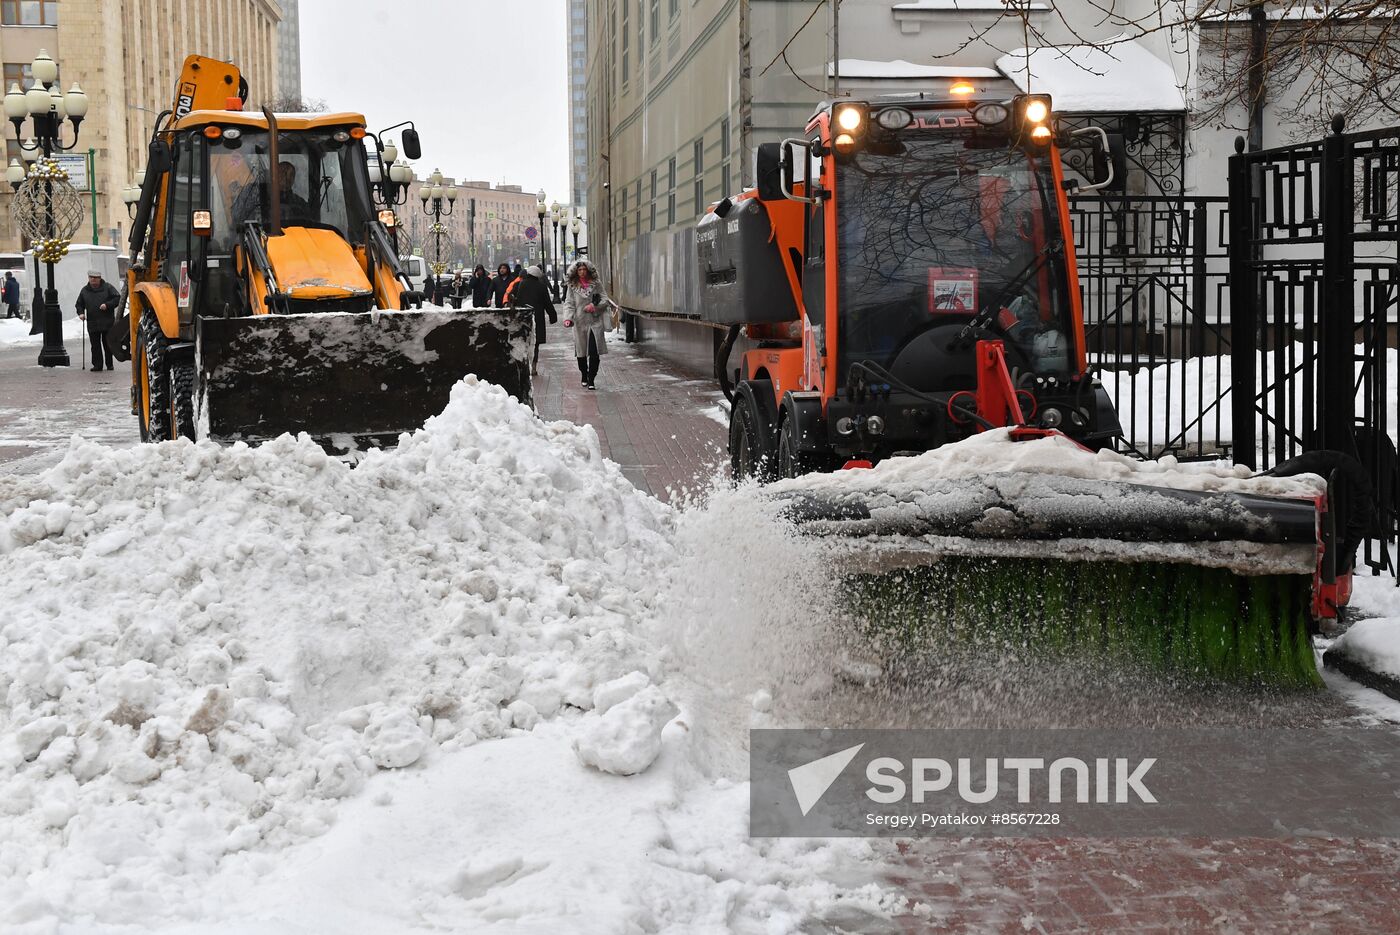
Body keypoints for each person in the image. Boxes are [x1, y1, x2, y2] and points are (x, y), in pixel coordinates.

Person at [562, 260, 613, 390]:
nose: (582, 272)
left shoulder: (596, 283)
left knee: (594, 352)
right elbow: (569, 303)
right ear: (576, 272)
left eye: (584, 269)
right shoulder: (572, 286)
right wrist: (568, 318)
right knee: (581, 352)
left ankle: (591, 378)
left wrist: (594, 306)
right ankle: (584, 374)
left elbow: (605, 299)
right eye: (580, 270)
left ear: (589, 270)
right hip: (580, 323)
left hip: (595, 322)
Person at [508, 265, 557, 375]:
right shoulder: (542, 286)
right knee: (535, 343)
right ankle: (533, 366)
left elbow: (513, 298)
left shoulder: (520, 284)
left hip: (523, 316)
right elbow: (547, 303)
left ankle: (524, 365)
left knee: (524, 341)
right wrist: (553, 316)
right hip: (537, 316)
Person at [75, 270, 121, 372]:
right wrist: (81, 313)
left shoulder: (108, 287)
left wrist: (107, 305)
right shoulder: (85, 290)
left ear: (99, 279)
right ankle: (97, 365)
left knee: (107, 344)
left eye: (95, 278)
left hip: (107, 322)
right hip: (92, 322)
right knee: (95, 345)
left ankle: (109, 364)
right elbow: (79, 304)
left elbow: (117, 298)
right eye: (91, 277)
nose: (93, 279)